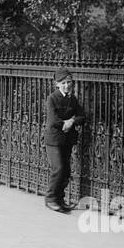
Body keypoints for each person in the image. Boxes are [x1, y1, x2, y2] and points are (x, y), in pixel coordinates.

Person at [43, 68, 86, 212]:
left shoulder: (72, 99)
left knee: (66, 171)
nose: (67, 85)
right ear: (57, 84)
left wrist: (72, 121)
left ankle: (60, 199)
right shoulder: (52, 98)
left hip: (67, 139)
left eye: (69, 82)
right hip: (54, 139)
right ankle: (50, 198)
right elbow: (53, 119)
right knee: (58, 168)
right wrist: (65, 124)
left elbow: (82, 116)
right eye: (64, 83)